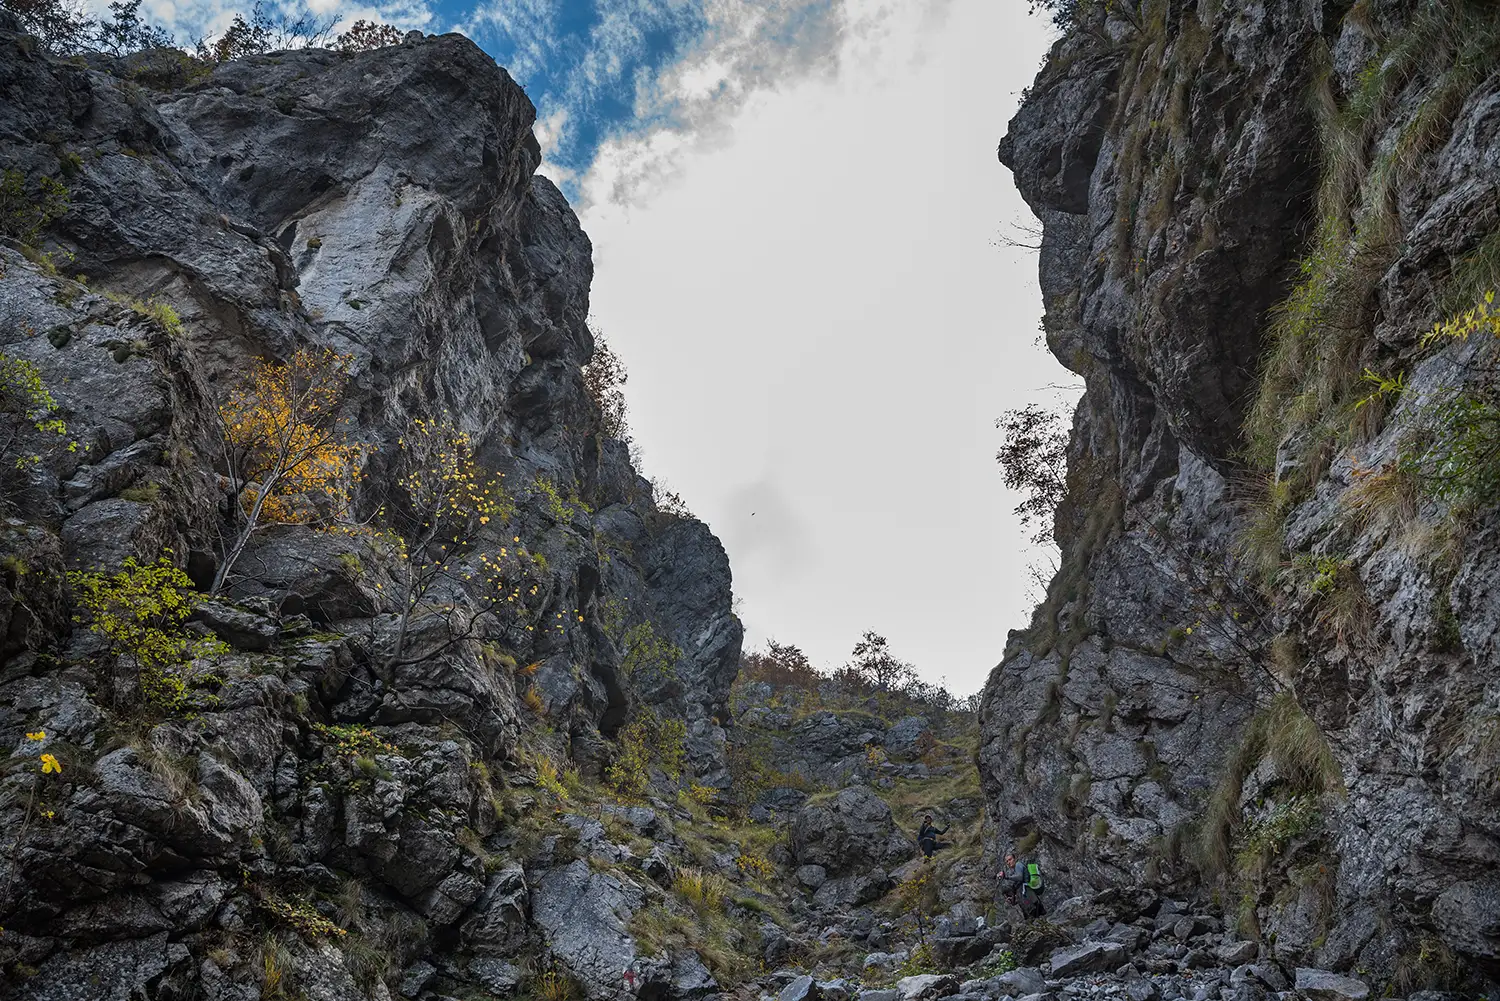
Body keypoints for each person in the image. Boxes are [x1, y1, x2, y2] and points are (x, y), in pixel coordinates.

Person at [999, 851, 1044, 918]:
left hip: (1029, 897)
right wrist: (1013, 899)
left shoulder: (1018, 865)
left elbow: (1020, 877)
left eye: (1010, 859)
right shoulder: (1015, 870)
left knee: (1034, 912)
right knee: (1035, 914)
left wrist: (1007, 877)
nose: (1008, 862)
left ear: (1015, 859)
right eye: (1007, 861)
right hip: (1029, 897)